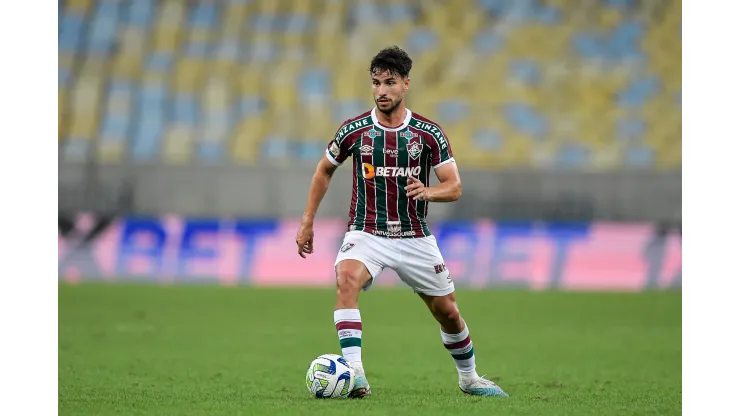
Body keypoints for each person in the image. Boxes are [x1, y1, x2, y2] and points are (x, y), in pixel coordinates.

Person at [295, 46, 509, 398]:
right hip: (366, 231)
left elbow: (454, 187)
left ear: (405, 84)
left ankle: (469, 378)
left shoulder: (428, 134)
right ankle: (357, 376)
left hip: (414, 237)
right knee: (345, 278)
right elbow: (324, 170)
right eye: (376, 83)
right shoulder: (355, 131)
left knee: (448, 313)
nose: (381, 90)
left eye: (389, 83)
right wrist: (307, 222)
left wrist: (429, 191)